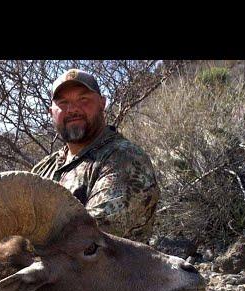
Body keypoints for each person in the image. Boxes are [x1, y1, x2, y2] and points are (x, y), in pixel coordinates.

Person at [32, 69, 159, 243]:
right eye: (63, 102)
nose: (73, 109)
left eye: (83, 99)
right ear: (51, 112)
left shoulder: (124, 159)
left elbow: (88, 241)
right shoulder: (44, 168)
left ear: (102, 103)